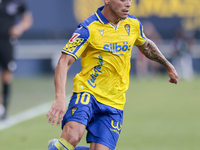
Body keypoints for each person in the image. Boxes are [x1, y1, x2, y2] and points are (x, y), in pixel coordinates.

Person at [46, 0, 178, 150]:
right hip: (88, 92)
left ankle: (56, 147)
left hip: (114, 102)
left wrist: (168, 65)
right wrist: (59, 99)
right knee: (73, 136)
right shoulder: (88, 27)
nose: (128, 3)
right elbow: (64, 61)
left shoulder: (133, 24)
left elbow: (145, 45)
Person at [0, 0, 33, 120]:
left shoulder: (18, 2)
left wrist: (19, 27)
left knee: (7, 73)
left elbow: (27, 19)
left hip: (7, 41)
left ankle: (4, 109)